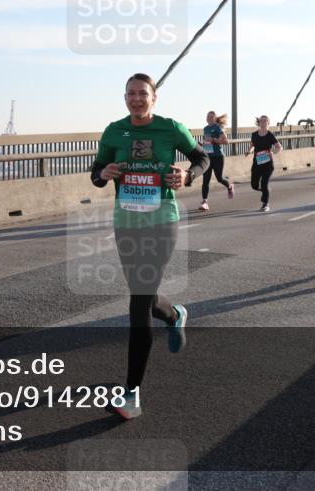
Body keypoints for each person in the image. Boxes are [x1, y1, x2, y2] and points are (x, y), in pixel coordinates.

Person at [91, 73, 209, 420]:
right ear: (124, 97)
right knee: (144, 294)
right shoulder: (114, 130)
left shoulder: (171, 127)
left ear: (154, 98)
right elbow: (96, 173)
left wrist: (187, 176)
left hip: (162, 221)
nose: (136, 99)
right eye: (130, 93)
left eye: (142, 93)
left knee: (138, 301)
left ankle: (130, 395)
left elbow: (202, 159)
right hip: (127, 223)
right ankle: (175, 314)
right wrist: (105, 173)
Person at [243, 115, 282, 212]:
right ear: (259, 123)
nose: (263, 122)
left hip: (268, 164)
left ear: (268, 123)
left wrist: (273, 152)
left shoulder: (270, 135)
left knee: (264, 183)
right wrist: (249, 151)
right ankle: (265, 191)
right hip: (257, 163)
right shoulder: (254, 135)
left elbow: (279, 147)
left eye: (265, 121)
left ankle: (265, 204)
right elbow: (252, 145)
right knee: (254, 185)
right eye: (261, 121)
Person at [199, 111, 234, 211]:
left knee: (219, 178)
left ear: (215, 118)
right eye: (208, 116)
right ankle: (204, 201)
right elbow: (207, 141)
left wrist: (214, 140)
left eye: (211, 117)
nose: (209, 118)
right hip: (208, 157)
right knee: (206, 180)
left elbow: (225, 141)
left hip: (218, 156)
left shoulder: (218, 128)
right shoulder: (205, 129)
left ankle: (230, 186)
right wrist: (202, 144)